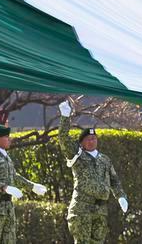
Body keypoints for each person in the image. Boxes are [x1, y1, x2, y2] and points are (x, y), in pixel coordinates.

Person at [58, 99, 127, 244]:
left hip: (100, 211)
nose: (92, 141)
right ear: (82, 142)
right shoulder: (77, 155)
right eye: (88, 139)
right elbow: (63, 139)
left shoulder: (104, 159)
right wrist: (65, 117)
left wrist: (121, 196)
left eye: (94, 138)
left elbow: (114, 180)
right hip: (82, 210)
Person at [0, 123, 47, 243]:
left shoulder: (5, 156)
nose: (9, 139)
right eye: (6, 136)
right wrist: (4, 187)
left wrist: (32, 186)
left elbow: (14, 176)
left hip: (7, 207)